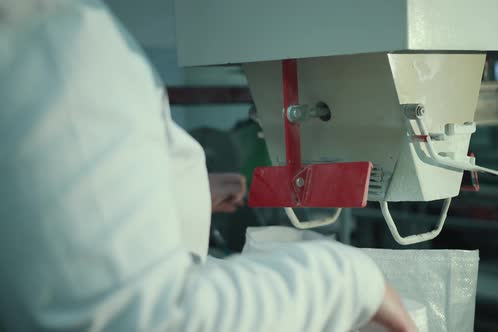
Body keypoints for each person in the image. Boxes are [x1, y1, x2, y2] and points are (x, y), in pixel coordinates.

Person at [0, 1, 416, 331]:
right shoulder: (60, 45)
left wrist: (179, 190)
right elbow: (139, 317)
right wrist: (347, 280)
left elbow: (61, 227)